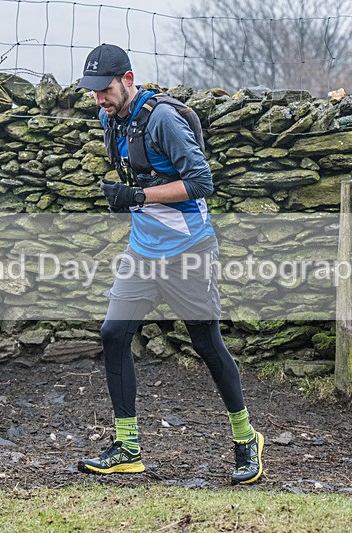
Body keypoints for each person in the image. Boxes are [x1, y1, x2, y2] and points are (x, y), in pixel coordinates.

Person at [74, 44, 263, 485]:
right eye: (93, 92)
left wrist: (138, 196)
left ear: (128, 78)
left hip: (189, 250)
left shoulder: (161, 119)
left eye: (105, 89)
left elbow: (202, 183)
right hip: (143, 251)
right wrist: (128, 197)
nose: (99, 99)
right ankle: (128, 447)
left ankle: (246, 439)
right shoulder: (110, 119)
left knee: (206, 343)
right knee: (113, 333)